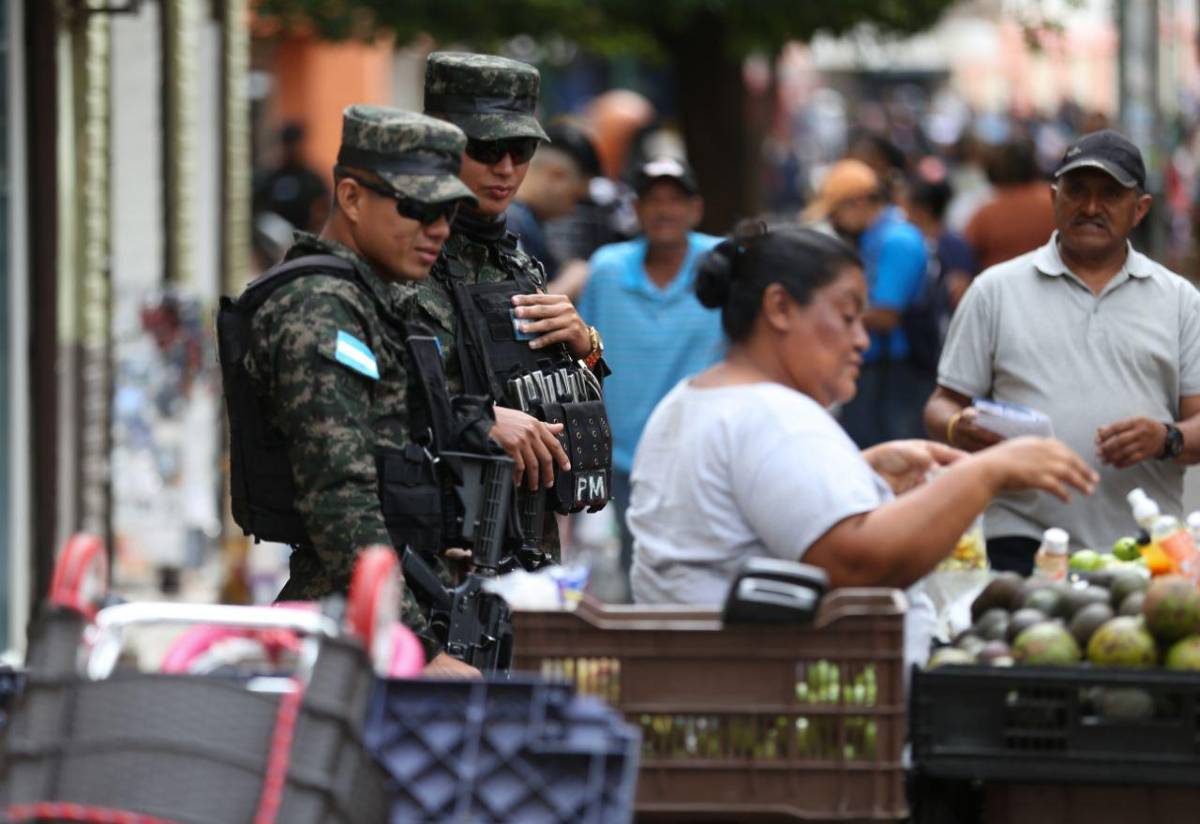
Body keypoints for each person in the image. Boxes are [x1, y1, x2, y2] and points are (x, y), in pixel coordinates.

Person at [627, 223, 1096, 663]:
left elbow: (753, 509)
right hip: (766, 697)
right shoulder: (774, 416)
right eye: (847, 316)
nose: (861, 340)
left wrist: (861, 470)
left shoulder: (692, 399)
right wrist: (988, 471)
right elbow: (860, 566)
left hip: (708, 682)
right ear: (780, 308)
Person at [239, 105, 479, 677]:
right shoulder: (319, 309)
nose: (439, 230)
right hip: (351, 637)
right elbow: (339, 498)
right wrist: (420, 650)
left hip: (384, 613)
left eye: (447, 212)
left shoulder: (369, 299)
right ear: (350, 197)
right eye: (417, 208)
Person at [925, 129, 1200, 572]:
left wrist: (1165, 438)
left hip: (1146, 541)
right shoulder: (995, 291)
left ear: (1140, 209)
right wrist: (959, 426)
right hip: (1020, 536)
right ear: (1054, 198)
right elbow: (942, 403)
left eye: (1110, 195)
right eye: (1076, 191)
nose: (1090, 207)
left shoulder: (1180, 300)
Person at [420, 52, 610, 562]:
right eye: (485, 149)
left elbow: (567, 394)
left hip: (524, 549)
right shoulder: (405, 255)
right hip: (434, 552)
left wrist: (586, 346)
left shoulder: (519, 260)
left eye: (520, 149)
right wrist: (478, 422)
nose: (505, 168)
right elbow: (365, 414)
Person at [576, 157, 723, 588]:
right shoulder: (607, 269)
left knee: (705, 565)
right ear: (636, 210)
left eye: (675, 200)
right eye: (653, 200)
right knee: (636, 567)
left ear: (695, 209)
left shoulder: (720, 265)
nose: (664, 210)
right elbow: (586, 355)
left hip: (703, 451)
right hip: (627, 454)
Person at [805, 159, 931, 448]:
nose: (834, 222)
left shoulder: (897, 241)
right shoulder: (872, 240)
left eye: (837, 213)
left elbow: (886, 315)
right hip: (874, 368)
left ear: (860, 203)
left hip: (896, 372)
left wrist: (824, 317)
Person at [507, 120, 594, 281]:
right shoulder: (509, 221)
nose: (573, 210)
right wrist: (571, 280)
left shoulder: (527, 220)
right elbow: (518, 295)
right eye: (576, 198)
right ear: (556, 176)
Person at [964, 139, 1056, 271]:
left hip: (998, 280)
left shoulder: (987, 211)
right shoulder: (1054, 200)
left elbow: (966, 248)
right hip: (1050, 278)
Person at [253, 122, 330, 234]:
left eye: (296, 145)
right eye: (289, 145)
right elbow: (260, 209)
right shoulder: (271, 178)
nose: (293, 150)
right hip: (276, 238)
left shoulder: (312, 180)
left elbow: (324, 210)